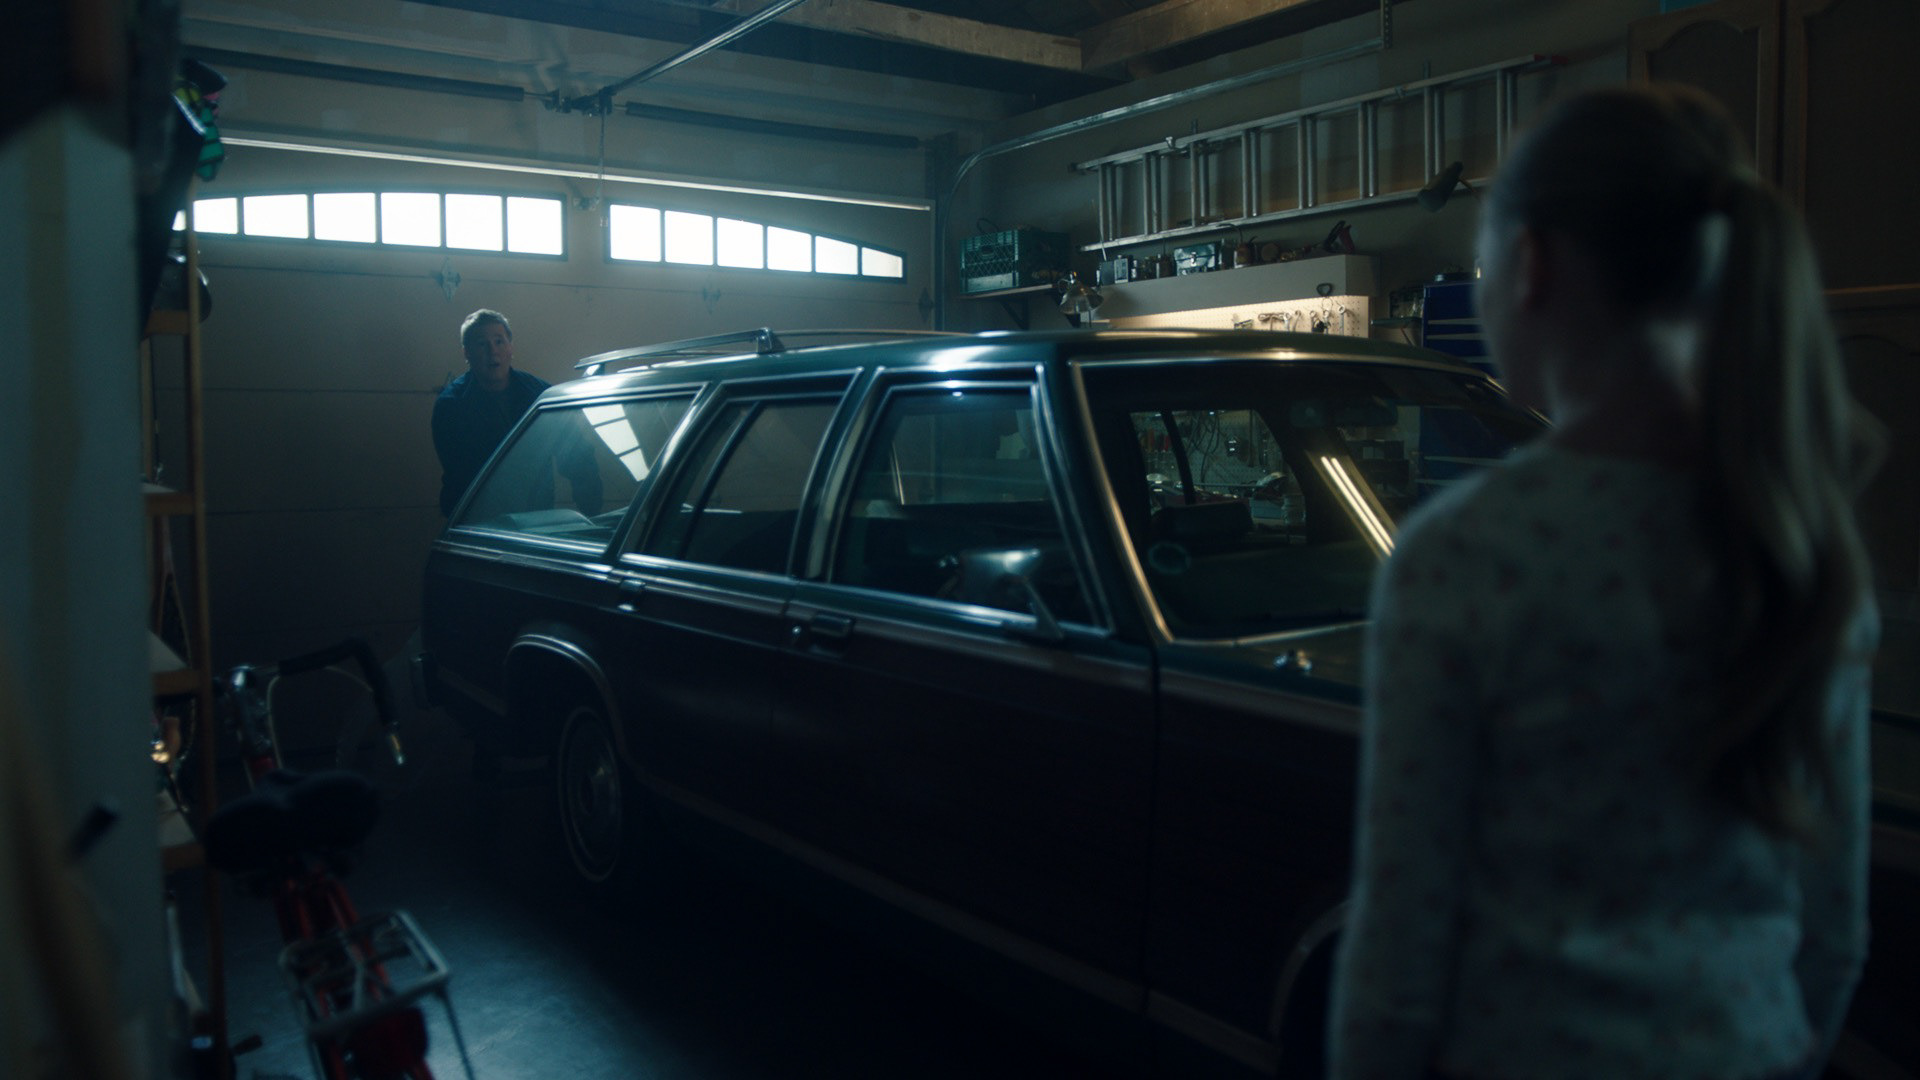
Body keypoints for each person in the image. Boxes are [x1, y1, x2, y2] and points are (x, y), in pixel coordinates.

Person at [1329, 84, 1880, 1080]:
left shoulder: (1467, 554)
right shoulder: (1796, 541)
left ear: (1533, 267)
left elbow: (1401, 945)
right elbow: (1833, 930)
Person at [431, 308, 601, 518]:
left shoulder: (540, 396)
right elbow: (459, 474)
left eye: (499, 342)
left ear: (510, 347)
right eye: (482, 344)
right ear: (467, 353)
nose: (493, 351)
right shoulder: (452, 405)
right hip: (476, 521)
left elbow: (578, 457)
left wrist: (592, 516)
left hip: (534, 517)